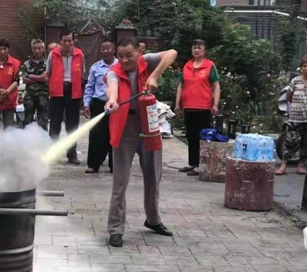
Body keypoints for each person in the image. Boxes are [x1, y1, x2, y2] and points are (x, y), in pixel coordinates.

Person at [104, 37, 178, 248]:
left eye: (129, 55)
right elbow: (112, 87)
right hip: (124, 128)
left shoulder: (147, 61)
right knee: (120, 182)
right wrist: (112, 100)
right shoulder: (114, 71)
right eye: (120, 56)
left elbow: (172, 52)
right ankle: (115, 229)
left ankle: (153, 220)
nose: (124, 60)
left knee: (153, 176)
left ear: (139, 52)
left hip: (149, 125)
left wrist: (154, 76)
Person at [174, 39, 220, 176]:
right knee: (191, 136)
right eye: (194, 47)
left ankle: (202, 165)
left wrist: (215, 104)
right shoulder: (187, 66)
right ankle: (192, 163)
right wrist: (177, 103)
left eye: (199, 47)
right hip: (188, 106)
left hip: (203, 107)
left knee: (202, 137)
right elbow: (181, 86)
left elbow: (216, 86)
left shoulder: (210, 66)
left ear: (205, 50)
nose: (196, 50)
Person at [276, 54, 307, 175]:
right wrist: (298, 106)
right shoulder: (295, 81)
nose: (306, 68)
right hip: (295, 117)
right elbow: (288, 97)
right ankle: (283, 165)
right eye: (304, 66)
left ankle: (301, 165)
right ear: (301, 67)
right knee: (290, 140)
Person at [46, 30, 86, 165]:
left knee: (72, 125)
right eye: (65, 41)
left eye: (70, 41)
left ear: (73, 41)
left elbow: (82, 73)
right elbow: (48, 73)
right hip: (57, 92)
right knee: (55, 123)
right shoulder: (53, 54)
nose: (67, 43)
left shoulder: (79, 54)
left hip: (73, 92)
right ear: (60, 41)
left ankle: (72, 155)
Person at [83, 37, 117, 173]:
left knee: (114, 134)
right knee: (96, 135)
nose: (105, 51)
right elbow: (89, 87)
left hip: (116, 105)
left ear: (114, 49)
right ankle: (93, 164)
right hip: (98, 104)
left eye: (108, 48)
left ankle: (115, 165)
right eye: (102, 49)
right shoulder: (95, 67)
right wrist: (86, 104)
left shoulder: (120, 66)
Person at [0, 38, 21, 132]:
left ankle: (8, 142)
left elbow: (16, 80)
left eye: (5, 49)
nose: (2, 51)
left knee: (9, 128)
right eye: (0, 49)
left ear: (9, 49)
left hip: (9, 99)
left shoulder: (16, 63)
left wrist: (5, 93)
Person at [22, 39, 49, 130]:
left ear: (43, 49)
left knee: (43, 119)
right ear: (32, 50)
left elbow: (47, 79)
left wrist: (31, 76)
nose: (37, 51)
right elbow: (24, 80)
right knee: (28, 118)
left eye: (39, 48)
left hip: (43, 94)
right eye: (35, 48)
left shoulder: (47, 63)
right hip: (30, 95)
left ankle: (43, 137)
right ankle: (27, 136)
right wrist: (40, 78)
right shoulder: (26, 64)